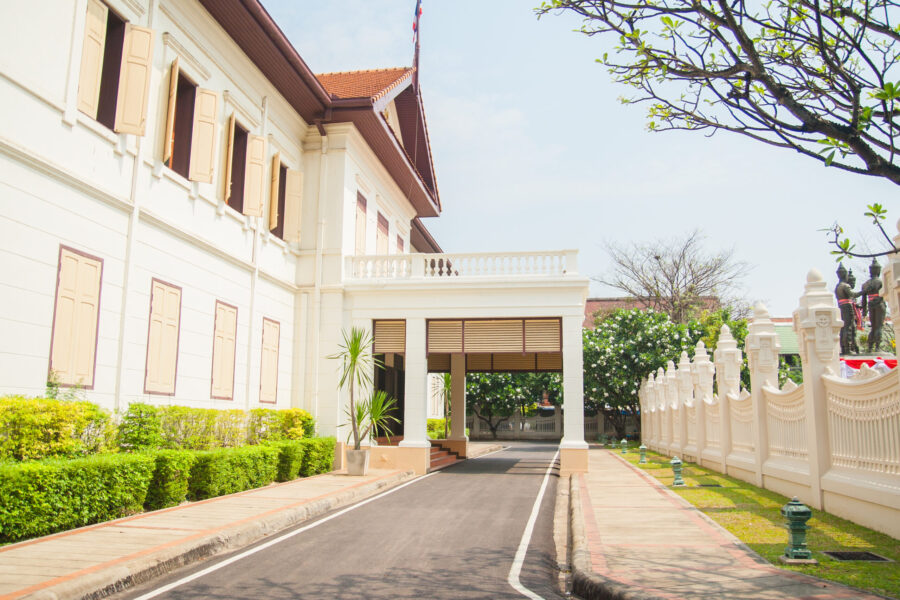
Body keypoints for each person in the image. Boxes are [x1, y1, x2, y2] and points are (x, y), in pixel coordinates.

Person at [861, 259, 886, 353]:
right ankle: (877, 347)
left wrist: (864, 311)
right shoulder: (881, 282)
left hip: (870, 304)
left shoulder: (865, 284)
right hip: (880, 304)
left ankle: (870, 347)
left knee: (873, 326)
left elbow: (864, 299)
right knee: (879, 326)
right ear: (878, 270)